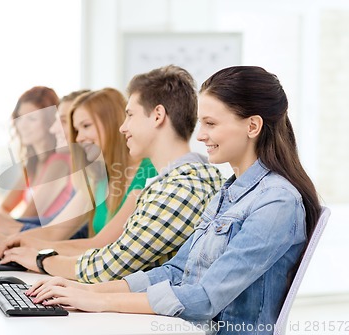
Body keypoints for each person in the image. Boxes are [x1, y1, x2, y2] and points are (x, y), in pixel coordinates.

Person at [26, 66, 322, 335]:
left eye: (210, 124)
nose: (201, 135)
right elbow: (176, 271)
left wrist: (99, 300)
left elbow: (205, 298)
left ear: (252, 126)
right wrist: (87, 291)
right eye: (201, 123)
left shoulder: (277, 202)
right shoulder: (227, 192)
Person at [0, 65, 224, 283]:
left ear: (157, 116)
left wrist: (40, 258)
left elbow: (111, 262)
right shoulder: (160, 183)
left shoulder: (179, 187)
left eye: (130, 115)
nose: (123, 127)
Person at [0, 88, 158, 250]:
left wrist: (15, 242)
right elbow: (54, 232)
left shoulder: (147, 173)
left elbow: (100, 244)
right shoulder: (99, 176)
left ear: (111, 123)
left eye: (86, 126)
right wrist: (10, 241)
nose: (78, 138)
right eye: (77, 129)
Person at [0, 86, 72, 237]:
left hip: (45, 242)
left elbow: (28, 216)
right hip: (30, 238)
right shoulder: (32, 164)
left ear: (50, 122)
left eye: (32, 119)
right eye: (20, 118)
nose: (23, 125)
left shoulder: (59, 163)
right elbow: (6, 207)